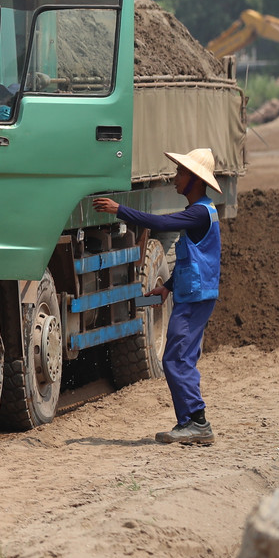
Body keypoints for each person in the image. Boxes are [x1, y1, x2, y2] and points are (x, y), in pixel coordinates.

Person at [92, 147, 223, 447]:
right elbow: (197, 258)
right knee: (181, 358)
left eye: (181, 173)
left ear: (195, 180)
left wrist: (119, 210)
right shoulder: (205, 211)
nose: (175, 177)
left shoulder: (199, 212)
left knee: (175, 359)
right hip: (194, 292)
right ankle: (189, 423)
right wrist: (167, 287)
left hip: (196, 296)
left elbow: (162, 224)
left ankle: (197, 422)